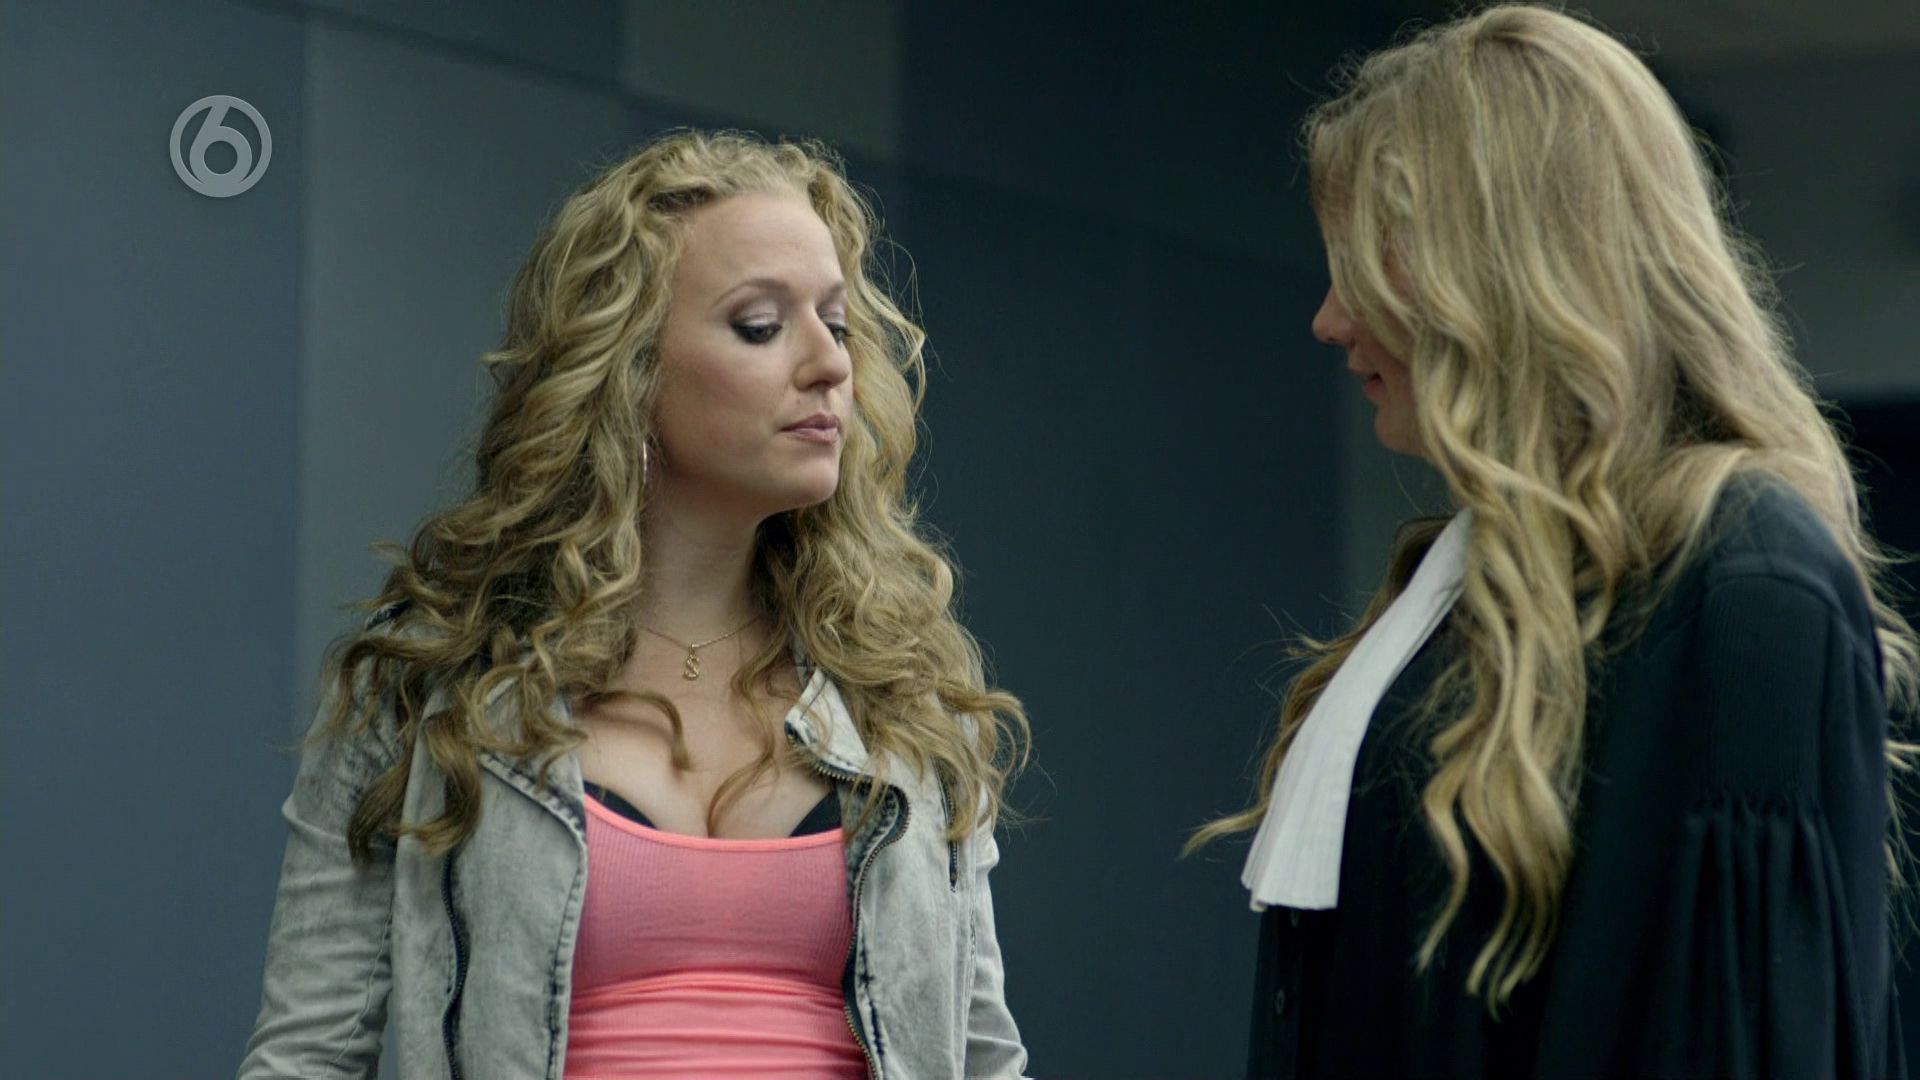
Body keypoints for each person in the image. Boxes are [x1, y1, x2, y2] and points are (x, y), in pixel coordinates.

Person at [1190, 6, 1917, 1078]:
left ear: (1495, 264)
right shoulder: (1458, 582)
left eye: (1362, 262)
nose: (1330, 318)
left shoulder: (1743, 582)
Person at [237, 130, 1030, 1080]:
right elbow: (305, 1060)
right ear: (631, 372)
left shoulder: (903, 702)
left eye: (838, 322)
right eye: (760, 325)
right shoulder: (430, 692)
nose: (830, 364)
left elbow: (985, 1061)